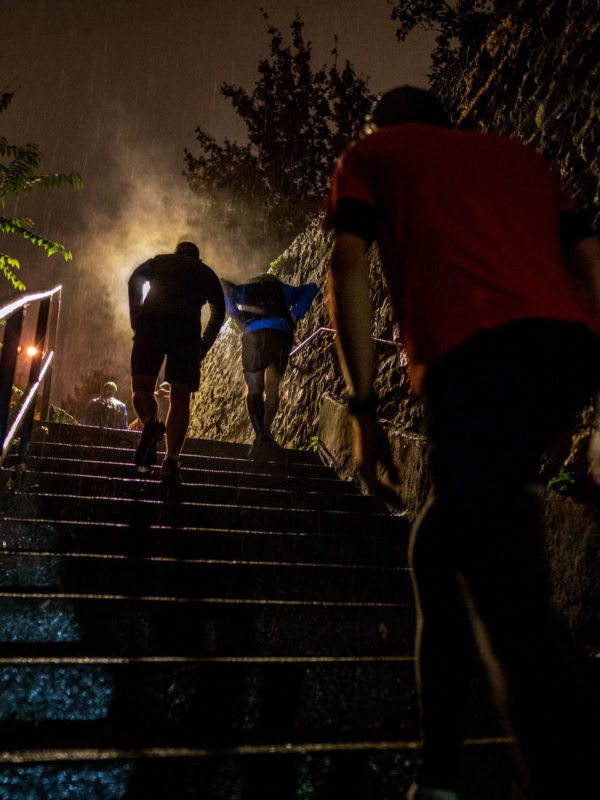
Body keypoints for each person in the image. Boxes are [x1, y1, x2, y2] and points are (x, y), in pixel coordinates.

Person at [325, 85, 600, 800]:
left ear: (384, 124)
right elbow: (591, 269)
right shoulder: (524, 159)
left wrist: (362, 408)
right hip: (563, 351)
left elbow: (347, 264)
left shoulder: (372, 154)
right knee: (438, 551)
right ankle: (439, 778)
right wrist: (563, 395)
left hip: (475, 359)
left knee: (511, 602)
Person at [128, 240, 225, 486]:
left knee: (142, 387)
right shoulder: (205, 272)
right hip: (186, 330)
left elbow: (134, 281)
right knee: (180, 397)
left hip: (151, 322)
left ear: (177, 253)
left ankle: (150, 423)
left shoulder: (159, 261)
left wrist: (136, 317)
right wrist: (204, 345)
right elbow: (219, 311)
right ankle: (171, 460)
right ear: (197, 257)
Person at [222, 272, 318, 458]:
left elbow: (224, 289)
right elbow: (311, 288)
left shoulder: (246, 290)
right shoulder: (283, 290)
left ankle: (260, 435)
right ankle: (263, 434)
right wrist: (294, 315)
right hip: (279, 336)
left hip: (254, 337)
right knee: (272, 390)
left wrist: (235, 315)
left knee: (254, 388)